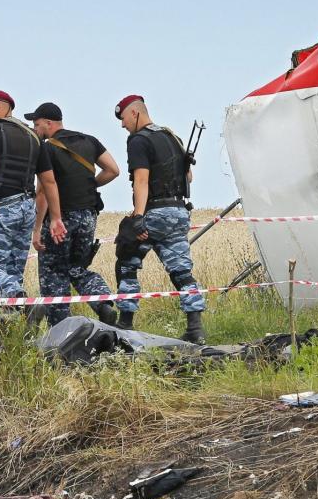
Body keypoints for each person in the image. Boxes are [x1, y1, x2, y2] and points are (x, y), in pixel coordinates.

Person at [0, 90, 66, 331]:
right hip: (27, 208)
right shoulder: (33, 137)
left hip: (0, 208)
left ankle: (21, 301)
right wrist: (56, 217)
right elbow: (49, 182)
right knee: (11, 269)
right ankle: (12, 332)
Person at [112, 95, 206, 343]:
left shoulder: (138, 140)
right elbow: (189, 178)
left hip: (155, 212)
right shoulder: (171, 137)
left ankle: (125, 324)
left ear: (134, 114)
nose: (122, 125)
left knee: (126, 261)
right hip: (179, 212)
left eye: (123, 119)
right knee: (182, 271)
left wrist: (138, 219)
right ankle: (195, 329)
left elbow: (141, 180)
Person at [25, 102, 121, 327]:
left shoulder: (46, 148)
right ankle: (103, 305)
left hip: (62, 219)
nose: (36, 130)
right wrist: (90, 185)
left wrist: (37, 228)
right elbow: (113, 170)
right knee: (78, 268)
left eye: (37, 125)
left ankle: (61, 330)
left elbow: (42, 191)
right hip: (88, 216)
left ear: (49, 124)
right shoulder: (90, 140)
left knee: (53, 273)